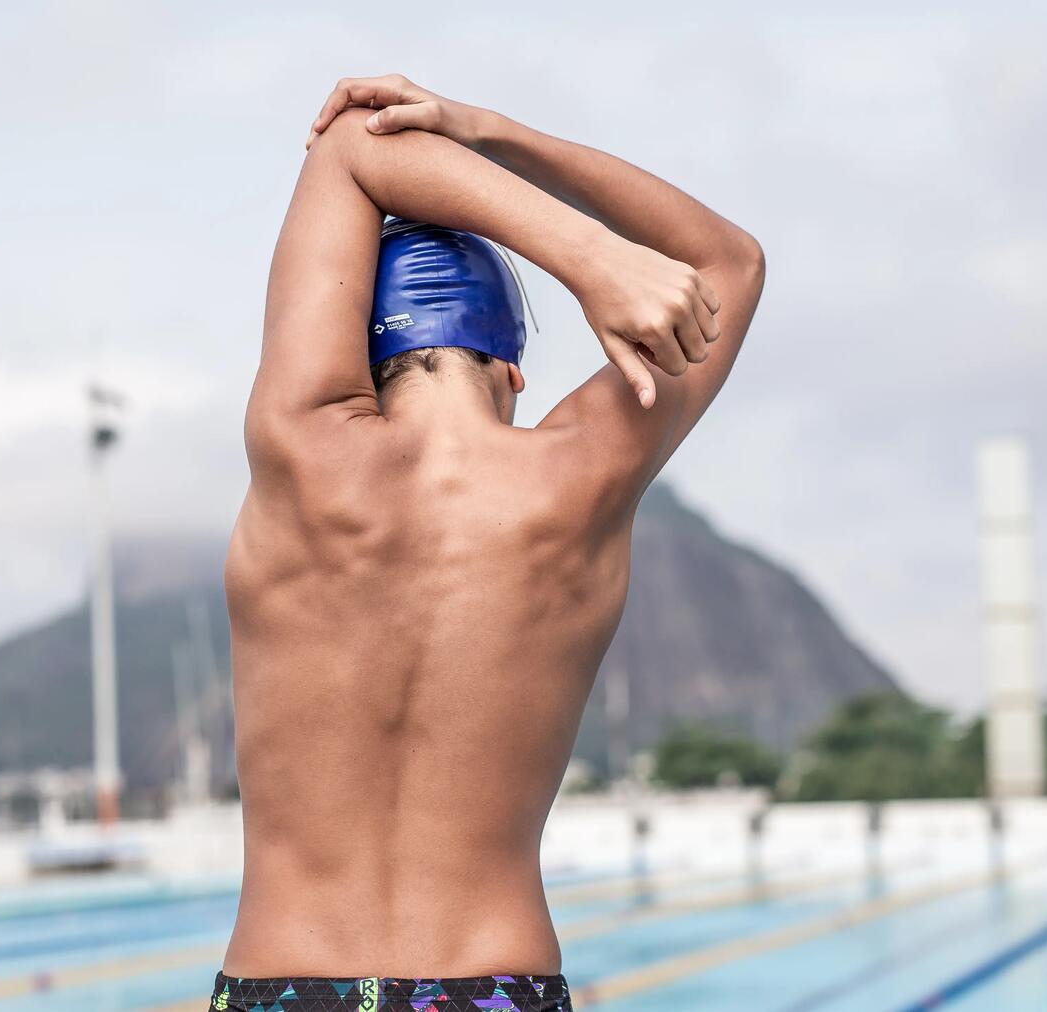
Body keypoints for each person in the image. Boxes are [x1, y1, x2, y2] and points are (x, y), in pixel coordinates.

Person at [215, 75, 764, 1012]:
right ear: (512, 367)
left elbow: (351, 140)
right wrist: (499, 140)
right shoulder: (578, 479)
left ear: (362, 356)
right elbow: (729, 264)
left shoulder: (299, 445)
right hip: (491, 983)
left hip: (279, 981)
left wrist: (580, 254)